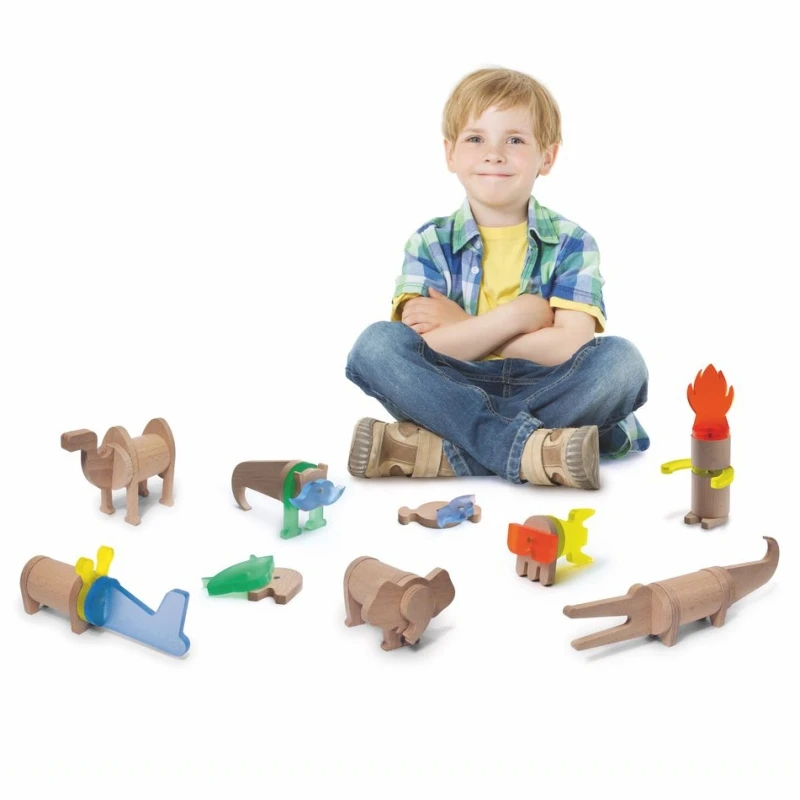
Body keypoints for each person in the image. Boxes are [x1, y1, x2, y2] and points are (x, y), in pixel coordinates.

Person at [345, 66, 649, 490]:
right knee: (376, 345)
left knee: (621, 362)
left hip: (547, 385)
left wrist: (465, 326)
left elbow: (569, 347)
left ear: (547, 156)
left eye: (515, 140)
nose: (494, 154)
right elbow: (425, 347)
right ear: (450, 154)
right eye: (475, 139)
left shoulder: (572, 242)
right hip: (450, 386)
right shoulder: (430, 241)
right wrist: (518, 315)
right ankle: (533, 449)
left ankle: (445, 452)